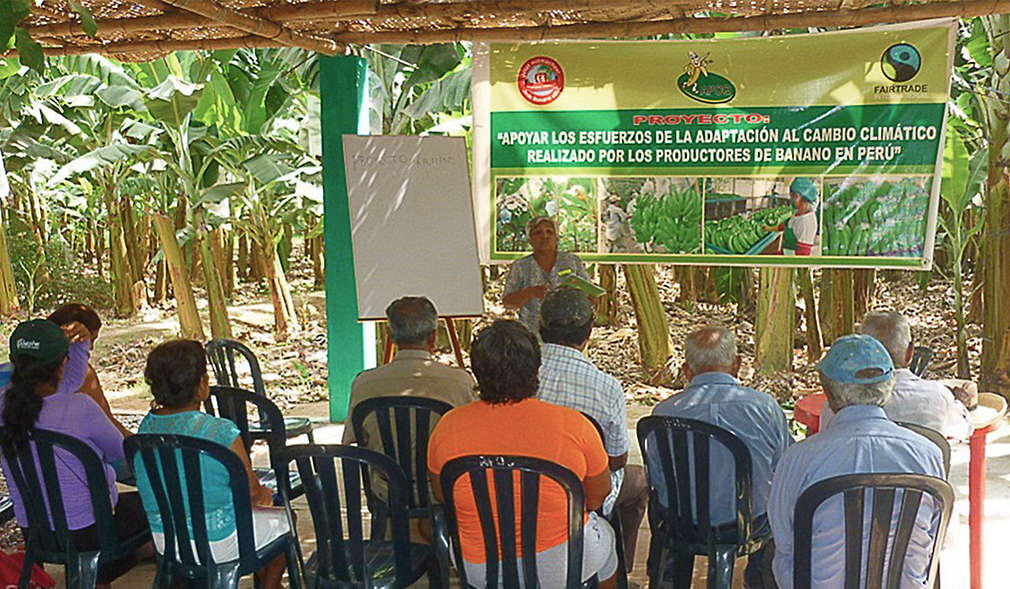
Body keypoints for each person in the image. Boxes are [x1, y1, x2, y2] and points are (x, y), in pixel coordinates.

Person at [428, 320, 618, 588]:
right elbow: (597, 496)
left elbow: (442, 493)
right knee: (607, 540)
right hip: (562, 564)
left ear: (476, 374)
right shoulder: (576, 426)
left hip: (479, 569)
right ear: (537, 372)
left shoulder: (447, 426)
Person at [768, 335, 946, 589]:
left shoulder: (799, 458)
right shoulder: (928, 454)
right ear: (889, 387)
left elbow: (785, 542)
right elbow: (937, 538)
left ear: (829, 393)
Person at [0, 319, 151, 588]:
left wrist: (79, 349)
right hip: (89, 532)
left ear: (14, 361)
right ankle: (99, 575)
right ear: (62, 363)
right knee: (158, 507)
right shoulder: (81, 408)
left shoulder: (5, 406)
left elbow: (64, 386)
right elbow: (121, 450)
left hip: (35, 530)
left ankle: (91, 573)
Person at [135, 340, 288, 588]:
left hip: (166, 541)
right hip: (219, 541)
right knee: (282, 522)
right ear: (201, 386)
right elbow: (252, 494)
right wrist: (265, 495)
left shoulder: (145, 430)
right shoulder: (221, 432)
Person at [650, 326, 793, 588]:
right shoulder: (765, 408)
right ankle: (759, 579)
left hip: (682, 524)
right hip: (748, 525)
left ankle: (668, 578)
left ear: (687, 370)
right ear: (737, 365)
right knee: (778, 507)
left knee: (661, 507)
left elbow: (658, 480)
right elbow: (784, 466)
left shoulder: (663, 414)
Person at [538, 286, 648, 572]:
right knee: (638, 482)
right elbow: (616, 460)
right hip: (584, 496)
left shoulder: (518, 375)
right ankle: (617, 569)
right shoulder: (606, 386)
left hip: (524, 487)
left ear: (540, 327)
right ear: (589, 331)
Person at [819, 311, 973, 439]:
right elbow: (964, 429)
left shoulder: (838, 405)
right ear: (910, 351)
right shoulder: (938, 396)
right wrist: (958, 403)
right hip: (920, 475)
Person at [47, 303, 131, 438]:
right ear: (72, 337)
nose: (91, 348)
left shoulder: (10, 378)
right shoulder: (81, 375)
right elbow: (109, 425)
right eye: (89, 340)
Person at [503, 215, 590, 334]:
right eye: (538, 233)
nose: (544, 236)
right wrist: (529, 292)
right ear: (530, 240)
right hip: (532, 335)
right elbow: (508, 302)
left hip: (569, 334)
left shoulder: (572, 261)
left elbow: (590, 295)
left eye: (549, 232)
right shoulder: (521, 266)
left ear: (556, 238)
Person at [768, 178, 818, 256]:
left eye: (793, 197)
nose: (791, 199)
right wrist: (770, 228)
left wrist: (779, 255)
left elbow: (803, 253)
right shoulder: (798, 211)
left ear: (802, 198)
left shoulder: (807, 223)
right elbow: (789, 226)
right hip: (786, 252)